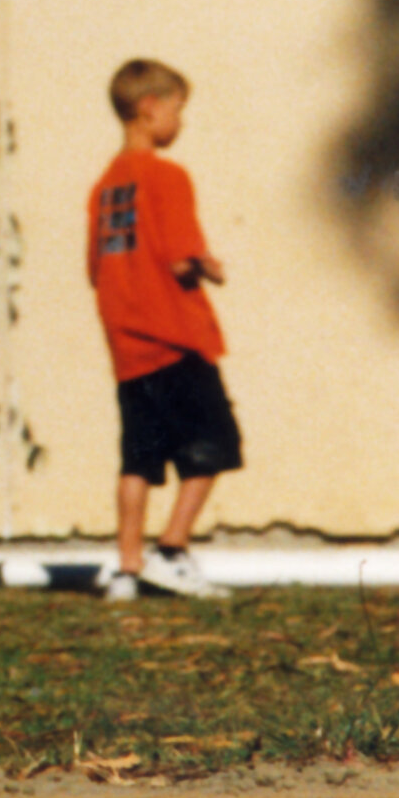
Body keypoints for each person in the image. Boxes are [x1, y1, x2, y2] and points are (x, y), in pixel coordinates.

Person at [86, 59, 242, 602]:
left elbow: (94, 269)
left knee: (138, 459)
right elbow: (180, 258)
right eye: (178, 108)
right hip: (175, 340)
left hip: (127, 346)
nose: (181, 120)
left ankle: (127, 568)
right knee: (215, 445)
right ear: (149, 108)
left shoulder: (105, 187)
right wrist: (210, 265)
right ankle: (171, 550)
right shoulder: (167, 176)